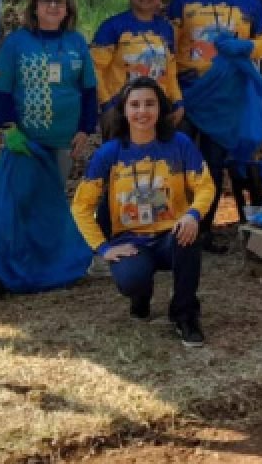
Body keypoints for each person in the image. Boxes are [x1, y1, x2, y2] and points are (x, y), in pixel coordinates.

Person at [71, 77, 214, 347]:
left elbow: (204, 186)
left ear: (160, 108)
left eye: (150, 103)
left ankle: (185, 314)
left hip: (171, 234)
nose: (142, 111)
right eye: (135, 105)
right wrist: (102, 249)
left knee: (190, 236)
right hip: (131, 241)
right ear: (124, 111)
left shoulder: (180, 143)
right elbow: (81, 205)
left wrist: (193, 214)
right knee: (132, 280)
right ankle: (141, 296)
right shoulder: (109, 153)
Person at [167, 0, 262, 253]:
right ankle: (171, 225)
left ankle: (202, 230)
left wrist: (248, 48)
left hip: (227, 97)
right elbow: (168, 44)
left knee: (212, 165)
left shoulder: (250, 4)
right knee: (179, 160)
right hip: (187, 93)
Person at [0, 0, 97, 184]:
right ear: (35, 7)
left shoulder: (77, 41)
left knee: (52, 200)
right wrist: (8, 128)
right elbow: (0, 91)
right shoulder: (16, 42)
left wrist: (86, 129)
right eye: (46, 0)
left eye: (59, 1)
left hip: (65, 140)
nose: (53, 6)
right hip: (25, 141)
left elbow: (89, 89)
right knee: (24, 200)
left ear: (68, 8)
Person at [91, 0, 184, 139]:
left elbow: (170, 71)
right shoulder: (112, 26)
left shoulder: (166, 28)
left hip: (157, 109)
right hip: (120, 111)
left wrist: (177, 102)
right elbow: (94, 69)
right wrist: (107, 105)